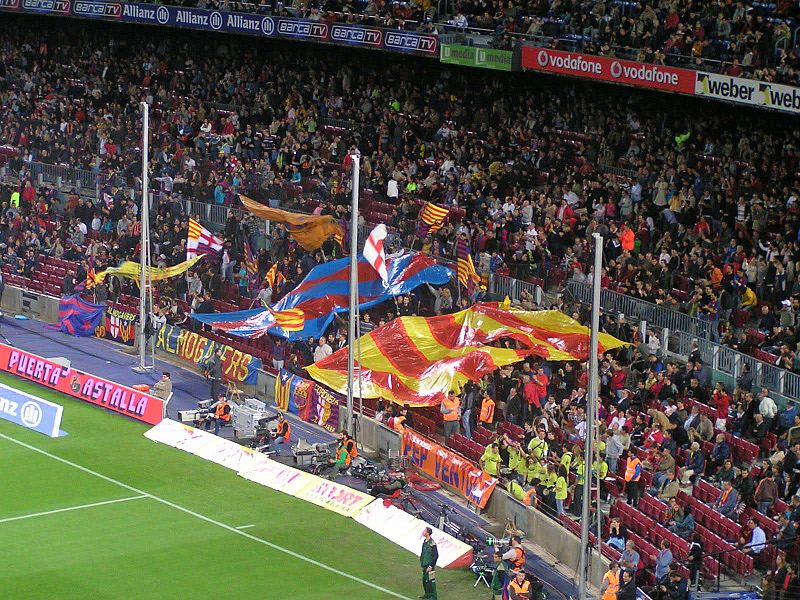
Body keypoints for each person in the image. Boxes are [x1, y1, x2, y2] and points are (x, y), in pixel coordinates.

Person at [419, 527, 438, 600]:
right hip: (424, 566)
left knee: (431, 582)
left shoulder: (432, 543)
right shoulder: (425, 542)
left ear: (427, 533)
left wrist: (431, 566)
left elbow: (436, 556)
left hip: (430, 566)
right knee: (425, 581)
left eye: (424, 531)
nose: (423, 532)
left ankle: (433, 597)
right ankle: (427, 594)